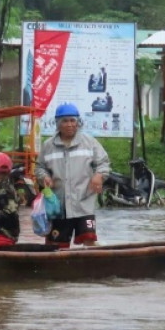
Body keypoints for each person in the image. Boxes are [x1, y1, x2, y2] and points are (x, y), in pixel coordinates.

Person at [35, 103, 111, 248]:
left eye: (72, 120)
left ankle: (91, 269)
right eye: (65, 121)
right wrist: (43, 177)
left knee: (89, 240)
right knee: (56, 247)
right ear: (57, 124)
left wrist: (99, 175)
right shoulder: (48, 146)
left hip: (84, 203)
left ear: (78, 122)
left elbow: (103, 163)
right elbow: (40, 167)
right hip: (58, 207)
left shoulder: (89, 143)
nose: (70, 125)